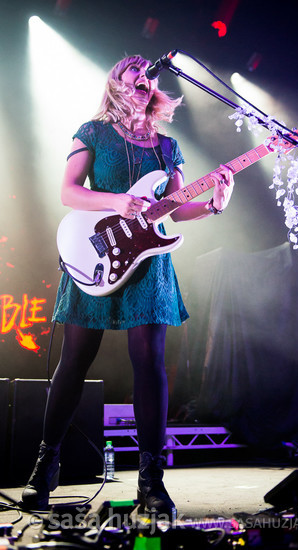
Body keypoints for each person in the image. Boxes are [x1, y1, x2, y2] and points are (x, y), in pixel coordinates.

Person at [21, 54, 234, 517]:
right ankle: (46, 464)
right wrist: (119, 201)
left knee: (150, 364)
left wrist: (215, 204)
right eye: (132, 71)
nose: (143, 77)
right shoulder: (93, 131)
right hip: (97, 250)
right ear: (115, 83)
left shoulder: (167, 146)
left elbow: (175, 209)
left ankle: (151, 481)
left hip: (149, 263)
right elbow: (69, 192)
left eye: (147, 74)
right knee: (74, 361)